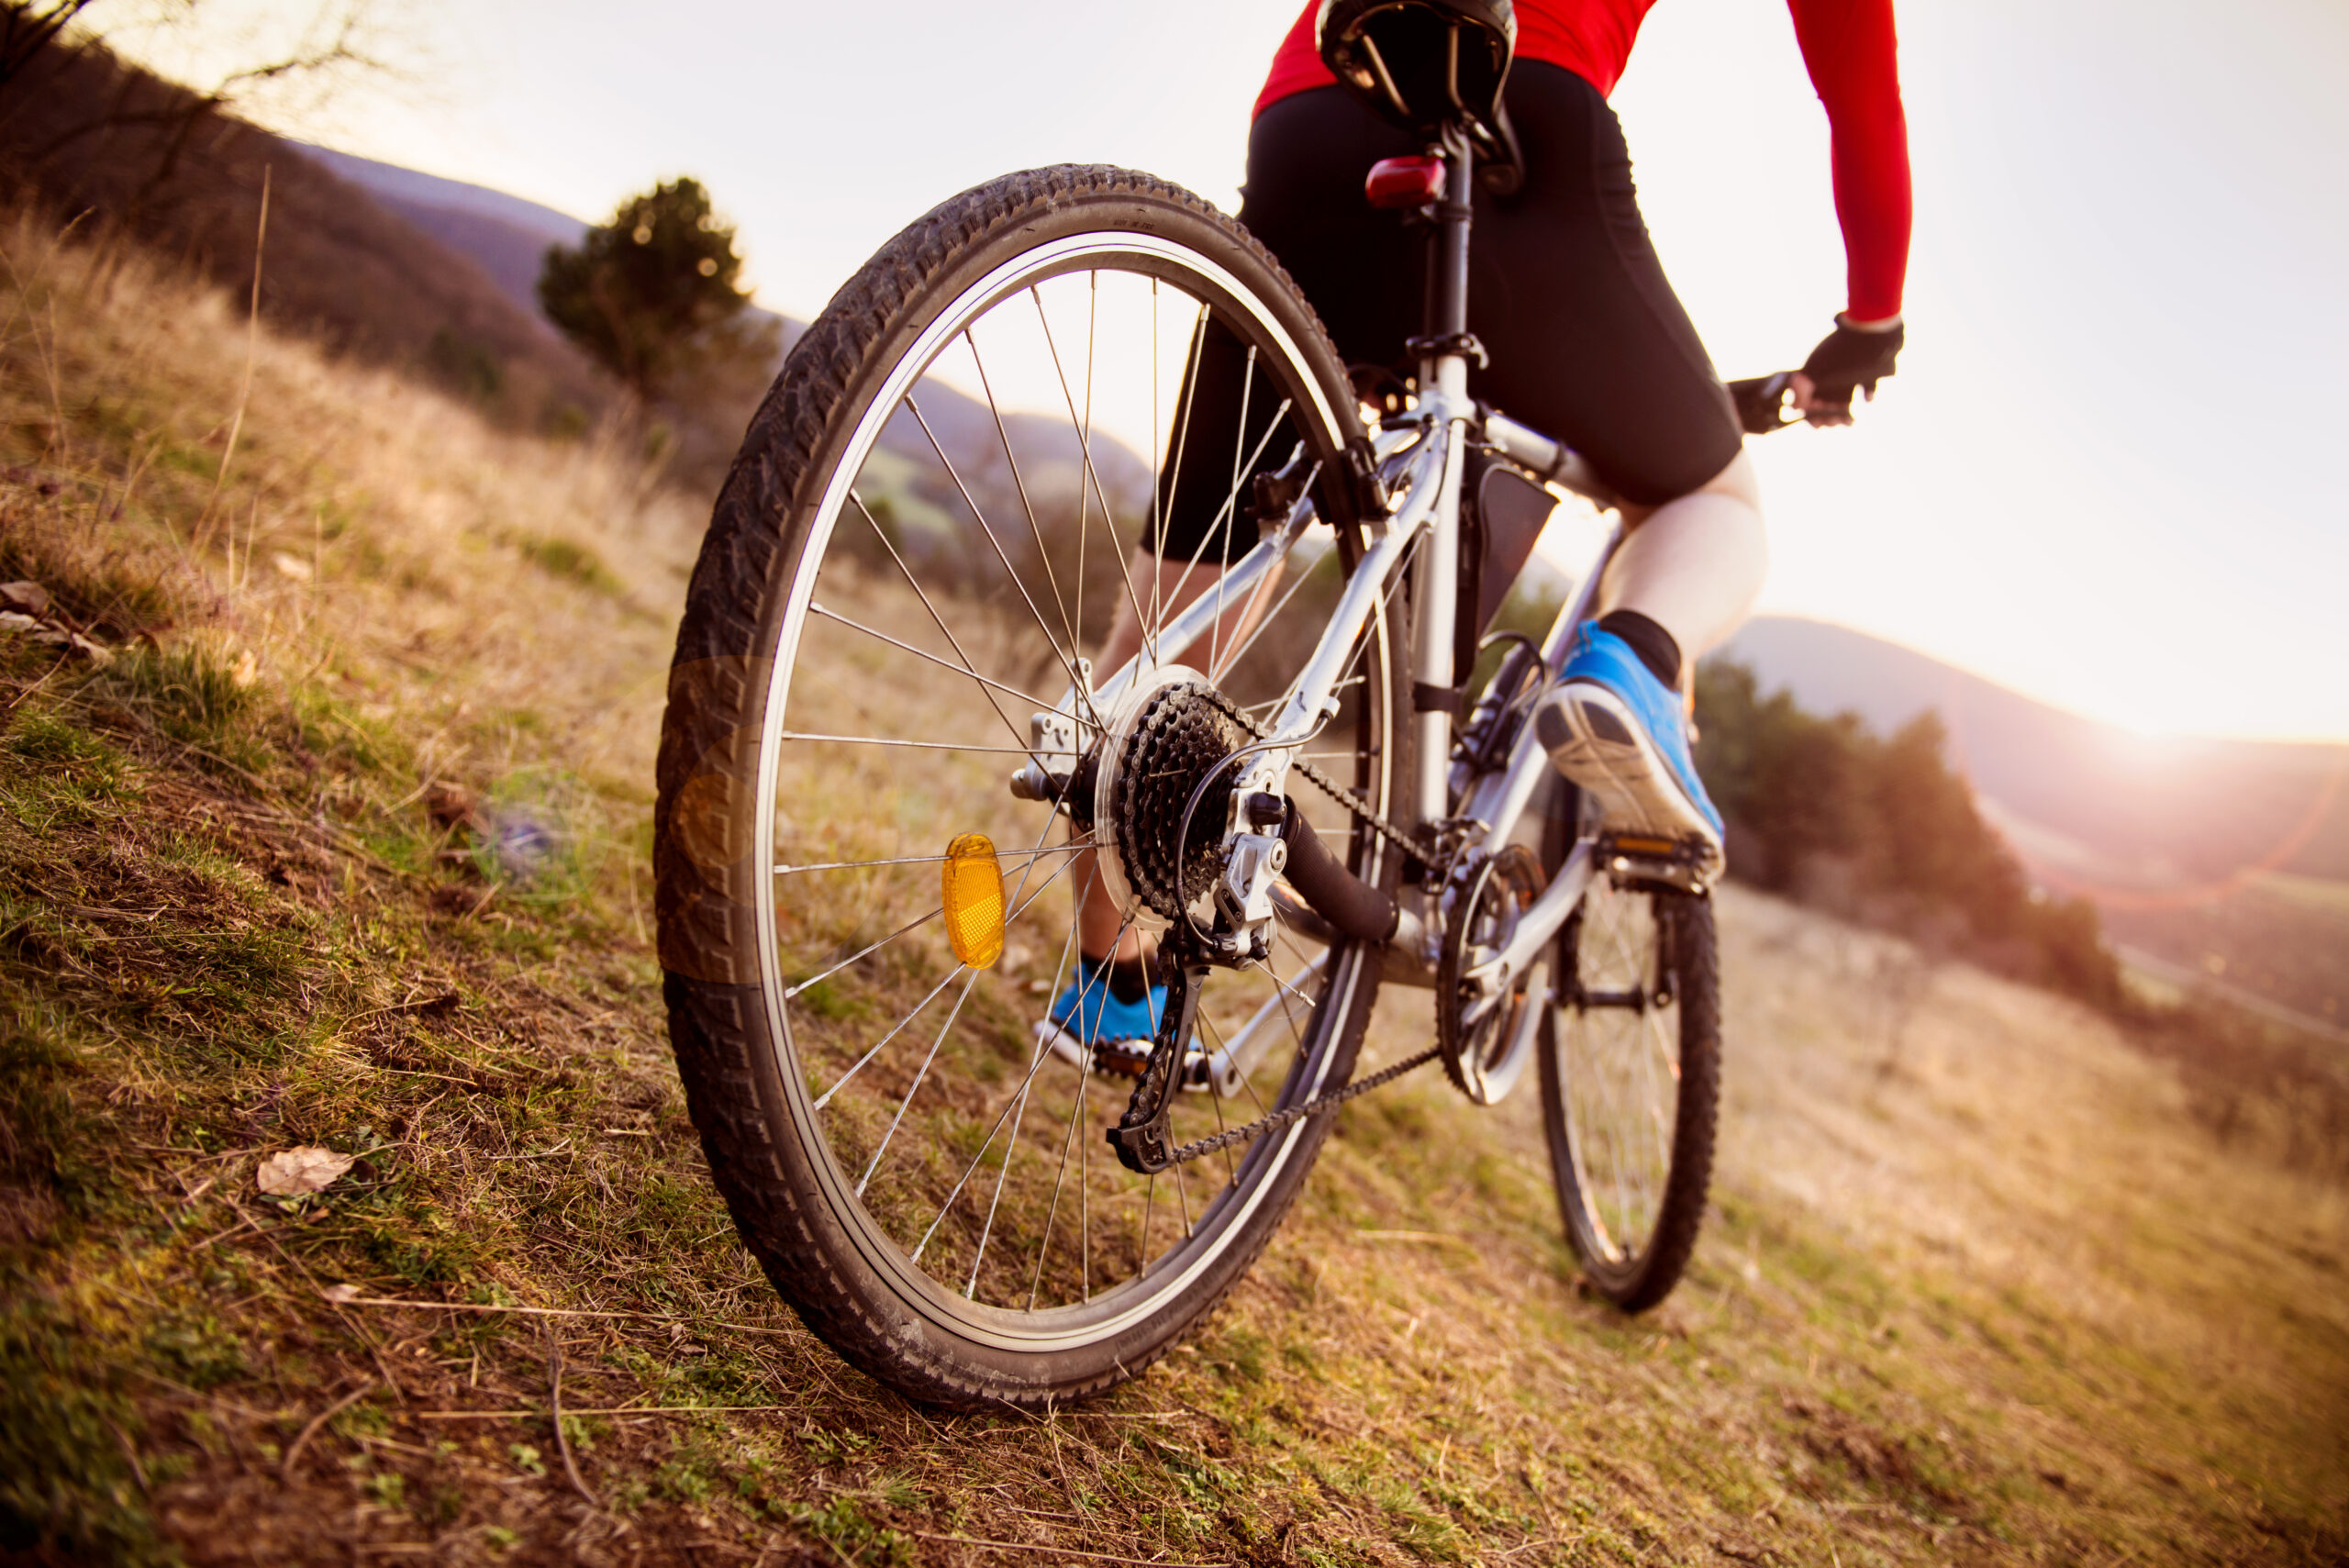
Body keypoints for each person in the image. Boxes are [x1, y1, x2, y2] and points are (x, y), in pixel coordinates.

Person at [1041, 0, 1911, 1066]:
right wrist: (1872, 320)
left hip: (1312, 118)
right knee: (1709, 503)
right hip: (1517, 134)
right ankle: (1630, 659)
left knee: (1180, 612)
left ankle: (1109, 988)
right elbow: (1857, 88)